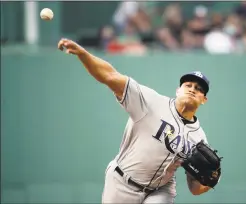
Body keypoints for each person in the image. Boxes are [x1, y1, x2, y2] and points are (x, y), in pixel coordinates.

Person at [58, 38, 212, 203]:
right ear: (178, 90)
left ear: (204, 99)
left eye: (198, 89)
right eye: (188, 85)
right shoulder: (151, 102)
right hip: (122, 182)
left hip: (161, 190)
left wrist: (208, 182)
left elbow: (195, 189)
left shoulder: (199, 138)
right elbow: (110, 76)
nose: (192, 90)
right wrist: (83, 54)